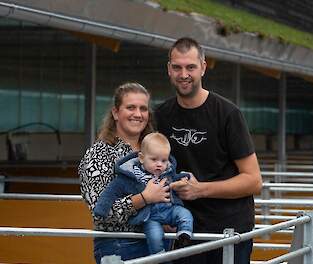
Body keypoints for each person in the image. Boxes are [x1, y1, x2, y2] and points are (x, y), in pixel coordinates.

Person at [154, 37, 263, 264]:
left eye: (190, 67)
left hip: (229, 232)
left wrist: (200, 190)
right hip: (185, 231)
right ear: (169, 70)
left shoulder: (227, 114)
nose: (184, 74)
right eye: (177, 67)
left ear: (203, 67)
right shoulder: (161, 116)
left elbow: (253, 181)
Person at [79, 82, 171, 264]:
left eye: (143, 109)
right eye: (131, 107)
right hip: (119, 245)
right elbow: (101, 213)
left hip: (158, 242)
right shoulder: (98, 154)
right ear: (115, 113)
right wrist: (144, 198)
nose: (138, 114)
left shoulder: (155, 152)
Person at [93, 132, 193, 254]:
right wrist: (102, 208)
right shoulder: (130, 176)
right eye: (154, 159)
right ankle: (159, 256)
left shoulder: (167, 172)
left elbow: (177, 178)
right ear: (141, 158)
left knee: (185, 214)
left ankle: (184, 235)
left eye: (164, 160)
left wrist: (184, 180)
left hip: (169, 210)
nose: (159, 164)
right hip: (149, 216)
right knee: (155, 236)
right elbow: (110, 192)